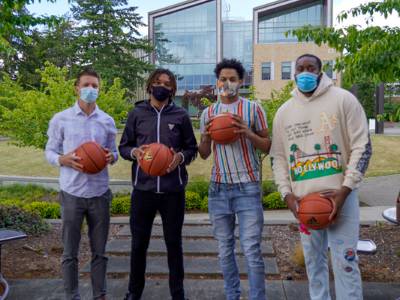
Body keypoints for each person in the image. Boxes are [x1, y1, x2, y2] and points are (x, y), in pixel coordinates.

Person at [271, 53, 372, 300]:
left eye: (311, 67)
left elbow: (363, 146)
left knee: (346, 262)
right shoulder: (284, 112)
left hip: (341, 198)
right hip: (305, 204)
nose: (305, 72)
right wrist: (287, 196)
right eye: (300, 68)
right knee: (313, 264)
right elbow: (279, 158)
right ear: (294, 73)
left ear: (320, 71)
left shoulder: (344, 99)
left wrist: (345, 189)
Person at [119, 68, 198, 300]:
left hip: (173, 191)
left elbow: (191, 148)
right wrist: (135, 152)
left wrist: (180, 158)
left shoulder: (181, 115)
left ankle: (178, 293)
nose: (162, 86)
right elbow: (124, 146)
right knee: (138, 245)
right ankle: (134, 292)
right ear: (150, 85)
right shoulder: (137, 113)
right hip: (143, 190)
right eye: (157, 81)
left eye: (167, 83)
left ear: (173, 89)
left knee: (174, 244)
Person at [198, 58, 271, 300]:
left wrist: (247, 133)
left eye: (232, 79)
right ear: (216, 82)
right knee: (223, 250)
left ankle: (257, 297)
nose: (226, 83)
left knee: (251, 250)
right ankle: (232, 295)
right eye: (222, 79)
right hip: (218, 188)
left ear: (240, 82)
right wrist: (207, 136)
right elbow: (204, 153)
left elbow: (267, 146)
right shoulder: (208, 113)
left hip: (248, 186)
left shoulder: (253, 108)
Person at [45, 69, 118, 300]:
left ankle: (100, 295)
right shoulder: (61, 118)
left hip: (99, 193)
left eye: (95, 86)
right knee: (70, 252)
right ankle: (72, 295)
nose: (91, 89)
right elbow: (49, 151)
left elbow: (113, 152)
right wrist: (62, 159)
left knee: (100, 252)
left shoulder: (107, 121)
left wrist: (110, 157)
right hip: (72, 194)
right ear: (76, 88)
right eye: (87, 85)